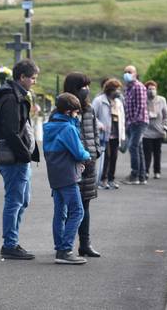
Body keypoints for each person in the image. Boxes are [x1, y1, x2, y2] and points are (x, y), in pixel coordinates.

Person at [0, 59, 40, 260]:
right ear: (22, 77)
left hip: (19, 158)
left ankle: (12, 241)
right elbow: (12, 132)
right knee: (15, 201)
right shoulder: (11, 98)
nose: (34, 82)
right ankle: (10, 244)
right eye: (33, 78)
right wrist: (25, 155)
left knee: (22, 200)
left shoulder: (16, 95)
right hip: (14, 159)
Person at [44, 93, 91, 265]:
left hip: (55, 174)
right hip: (68, 175)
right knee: (77, 211)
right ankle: (65, 249)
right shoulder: (68, 129)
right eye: (76, 112)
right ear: (69, 111)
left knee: (60, 212)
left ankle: (59, 248)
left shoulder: (49, 126)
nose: (78, 115)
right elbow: (79, 152)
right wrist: (88, 155)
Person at [61, 73, 101, 258]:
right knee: (71, 207)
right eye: (83, 86)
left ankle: (85, 244)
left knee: (85, 205)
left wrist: (97, 151)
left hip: (90, 163)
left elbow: (94, 132)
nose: (87, 90)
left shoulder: (90, 109)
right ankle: (64, 244)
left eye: (88, 86)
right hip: (74, 164)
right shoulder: (66, 110)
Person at [93, 79, 125, 189]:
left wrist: (123, 135)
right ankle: (103, 180)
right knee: (106, 157)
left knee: (114, 157)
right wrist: (100, 124)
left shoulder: (119, 103)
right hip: (104, 134)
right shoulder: (99, 101)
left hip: (116, 135)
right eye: (117, 89)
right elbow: (92, 116)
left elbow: (122, 120)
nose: (119, 92)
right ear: (110, 90)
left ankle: (111, 179)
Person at [123, 65, 149, 185]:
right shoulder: (128, 88)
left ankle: (135, 175)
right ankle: (141, 176)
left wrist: (132, 121)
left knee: (133, 147)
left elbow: (141, 106)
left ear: (135, 73)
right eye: (125, 72)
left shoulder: (138, 87)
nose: (127, 74)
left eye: (129, 72)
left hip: (138, 122)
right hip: (131, 122)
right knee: (138, 148)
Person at [143, 81, 167, 179]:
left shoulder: (162, 100)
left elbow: (166, 115)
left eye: (153, 89)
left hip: (158, 131)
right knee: (147, 152)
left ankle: (157, 171)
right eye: (149, 89)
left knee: (157, 152)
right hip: (146, 131)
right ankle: (145, 171)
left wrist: (165, 126)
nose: (151, 91)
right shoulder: (144, 100)